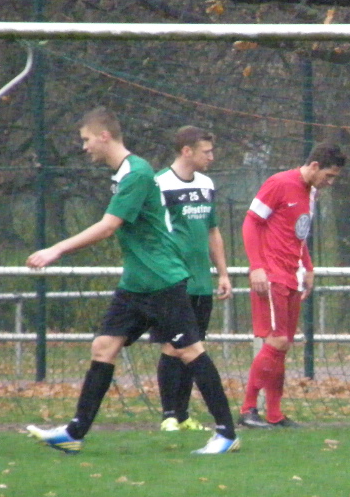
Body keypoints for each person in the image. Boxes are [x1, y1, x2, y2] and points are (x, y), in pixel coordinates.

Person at [25, 107, 239, 454]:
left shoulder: (137, 173)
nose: (84, 147)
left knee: (190, 351)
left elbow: (109, 226)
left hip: (162, 280)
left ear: (104, 136)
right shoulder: (125, 173)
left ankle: (227, 433)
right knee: (103, 347)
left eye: (86, 139)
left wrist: (57, 249)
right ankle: (75, 432)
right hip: (136, 282)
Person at [238, 141, 346, 428]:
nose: (330, 182)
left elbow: (298, 234)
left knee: (283, 347)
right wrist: (257, 266)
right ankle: (248, 409)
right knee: (277, 341)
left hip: (293, 275)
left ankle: (274, 414)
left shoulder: (311, 194)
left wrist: (308, 267)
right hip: (272, 275)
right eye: (329, 175)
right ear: (314, 166)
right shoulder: (278, 183)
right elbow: (250, 223)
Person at [155, 126, 233, 432]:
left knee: (194, 347)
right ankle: (168, 415)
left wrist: (223, 273)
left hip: (202, 282)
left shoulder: (206, 184)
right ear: (187, 151)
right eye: (206, 151)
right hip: (173, 281)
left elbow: (213, 231)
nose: (211, 157)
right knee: (174, 346)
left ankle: (184, 415)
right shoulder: (159, 184)